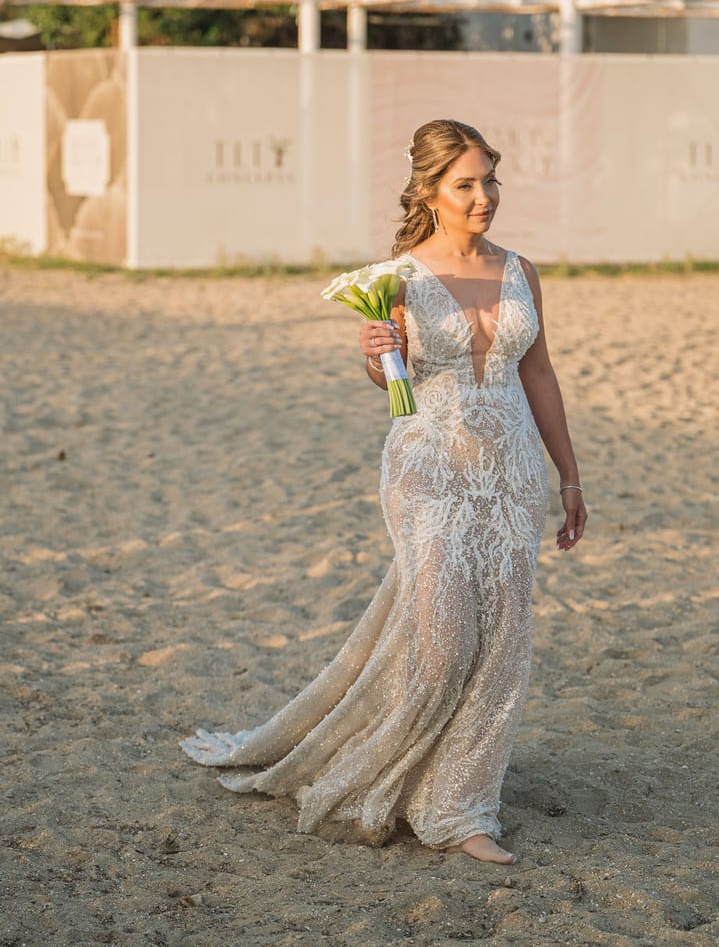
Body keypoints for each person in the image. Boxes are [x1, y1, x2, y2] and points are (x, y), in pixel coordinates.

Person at [181, 118, 587, 866]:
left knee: (502, 640)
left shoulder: (521, 270)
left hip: (511, 474)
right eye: (466, 184)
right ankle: (386, 767)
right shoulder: (394, 278)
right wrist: (376, 355)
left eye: (490, 180)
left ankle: (461, 805)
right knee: (444, 641)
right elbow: (388, 378)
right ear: (430, 192)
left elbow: (537, 372)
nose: (484, 196)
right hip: (428, 468)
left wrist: (569, 475)